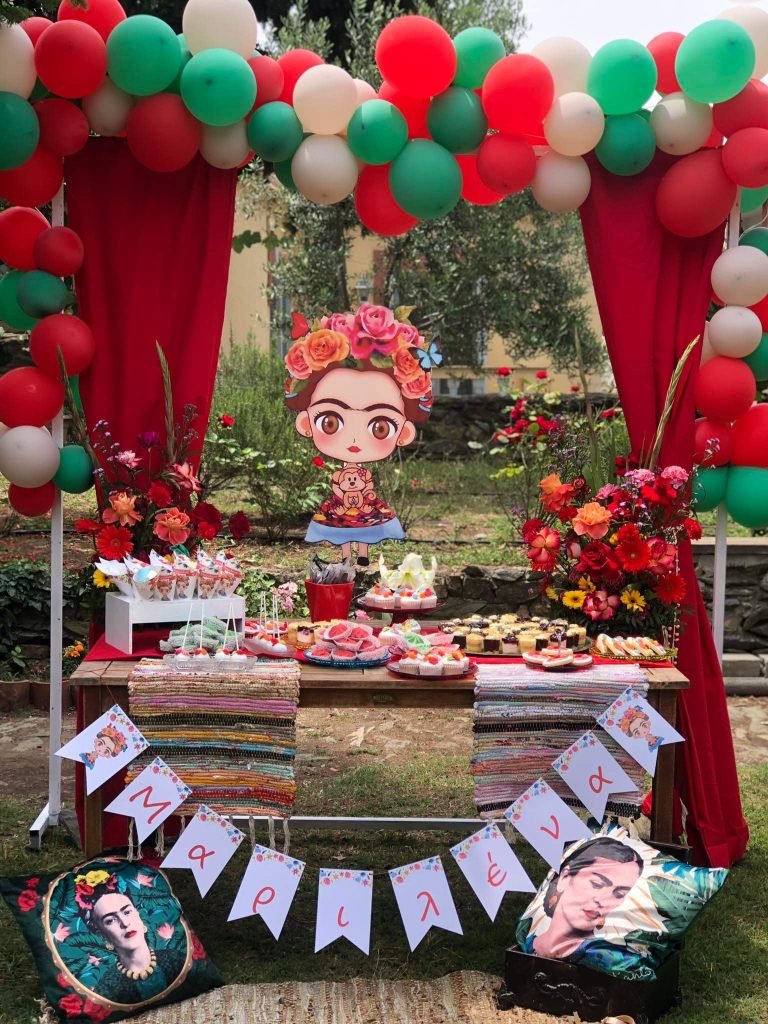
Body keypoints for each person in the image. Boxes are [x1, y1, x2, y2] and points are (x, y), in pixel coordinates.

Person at [284, 304, 435, 565]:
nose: (354, 441)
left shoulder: (364, 477)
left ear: (404, 432)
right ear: (306, 423)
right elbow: (337, 484)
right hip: (344, 506)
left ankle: (362, 555)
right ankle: (346, 556)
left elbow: (367, 487)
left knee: (364, 528)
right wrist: (344, 493)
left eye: (380, 427)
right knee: (345, 531)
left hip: (362, 506)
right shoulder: (339, 477)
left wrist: (363, 494)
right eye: (330, 422)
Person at [520, 837, 643, 963]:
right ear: (565, 877)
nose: (603, 900)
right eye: (596, 884)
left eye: (619, 894)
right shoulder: (526, 933)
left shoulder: (617, 961)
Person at [75, 871, 187, 1004]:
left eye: (127, 912)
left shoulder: (175, 959)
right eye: (110, 920)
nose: (124, 923)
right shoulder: (108, 988)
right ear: (101, 934)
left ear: (138, 914)